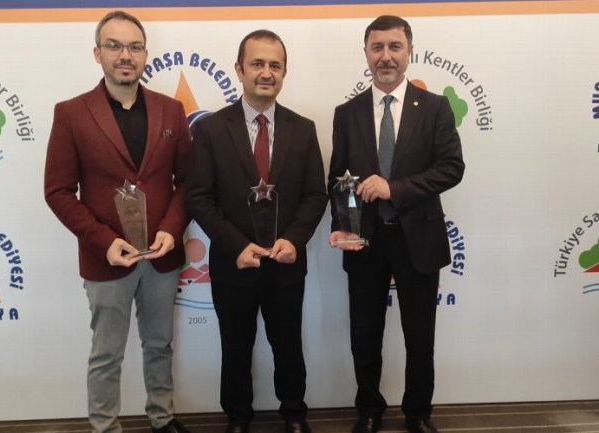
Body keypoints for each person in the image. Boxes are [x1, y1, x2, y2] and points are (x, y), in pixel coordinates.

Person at [44, 11, 192, 433]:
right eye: (114, 46)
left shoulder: (171, 110)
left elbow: (188, 183)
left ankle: (162, 417)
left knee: (160, 344)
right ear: (98, 53)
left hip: (161, 256)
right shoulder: (71, 113)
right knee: (106, 354)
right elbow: (57, 192)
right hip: (106, 258)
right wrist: (103, 241)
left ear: (145, 54)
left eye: (134, 47)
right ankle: (105, 426)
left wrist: (171, 229)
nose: (125, 55)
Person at [328, 15, 465, 433]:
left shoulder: (436, 107)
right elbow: (338, 179)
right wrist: (342, 224)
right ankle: (369, 411)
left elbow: (451, 168)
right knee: (365, 333)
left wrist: (394, 188)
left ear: (410, 52)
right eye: (377, 47)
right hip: (364, 240)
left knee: (420, 337)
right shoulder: (346, 113)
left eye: (394, 46)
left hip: (419, 239)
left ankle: (418, 413)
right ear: (366, 53)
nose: (385, 56)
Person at [185, 30, 327, 433]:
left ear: (284, 72)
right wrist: (236, 245)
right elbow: (198, 197)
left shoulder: (303, 129)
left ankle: (294, 414)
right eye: (258, 64)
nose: (267, 73)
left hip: (285, 263)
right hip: (234, 265)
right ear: (239, 69)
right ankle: (238, 418)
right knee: (235, 348)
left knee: (289, 345)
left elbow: (316, 195)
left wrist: (294, 240)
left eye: (275, 65)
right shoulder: (211, 130)